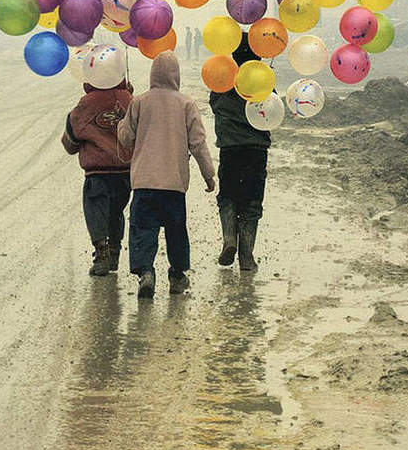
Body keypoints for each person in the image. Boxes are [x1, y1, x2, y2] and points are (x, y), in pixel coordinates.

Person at [118, 51, 215, 298]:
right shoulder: (186, 104)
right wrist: (208, 174)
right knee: (176, 230)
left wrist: (122, 121)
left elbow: (125, 138)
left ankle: (146, 272)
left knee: (142, 229)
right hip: (173, 183)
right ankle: (177, 276)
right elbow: (198, 143)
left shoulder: (139, 102)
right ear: (176, 75)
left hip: (144, 182)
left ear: (153, 74)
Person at [209, 34, 270, 271]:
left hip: (230, 149)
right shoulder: (263, 80)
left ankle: (229, 239)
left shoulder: (223, 79)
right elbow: (272, 112)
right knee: (252, 202)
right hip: (256, 150)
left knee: (228, 196)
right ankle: (247, 256)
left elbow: (214, 104)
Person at [61, 78, 133, 276]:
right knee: (116, 212)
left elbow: (70, 140)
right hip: (125, 170)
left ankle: (102, 254)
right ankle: (115, 252)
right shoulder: (128, 98)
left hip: (97, 173)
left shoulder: (87, 103)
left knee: (96, 211)